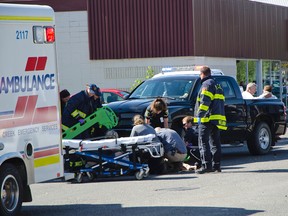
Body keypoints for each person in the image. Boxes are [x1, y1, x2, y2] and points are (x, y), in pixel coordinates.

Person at [194, 66, 227, 174]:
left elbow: (205, 102)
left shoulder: (206, 84)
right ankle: (216, 166)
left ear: (202, 74)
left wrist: (199, 116)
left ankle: (206, 166)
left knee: (203, 142)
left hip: (207, 118)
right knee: (215, 142)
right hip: (217, 119)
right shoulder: (217, 84)